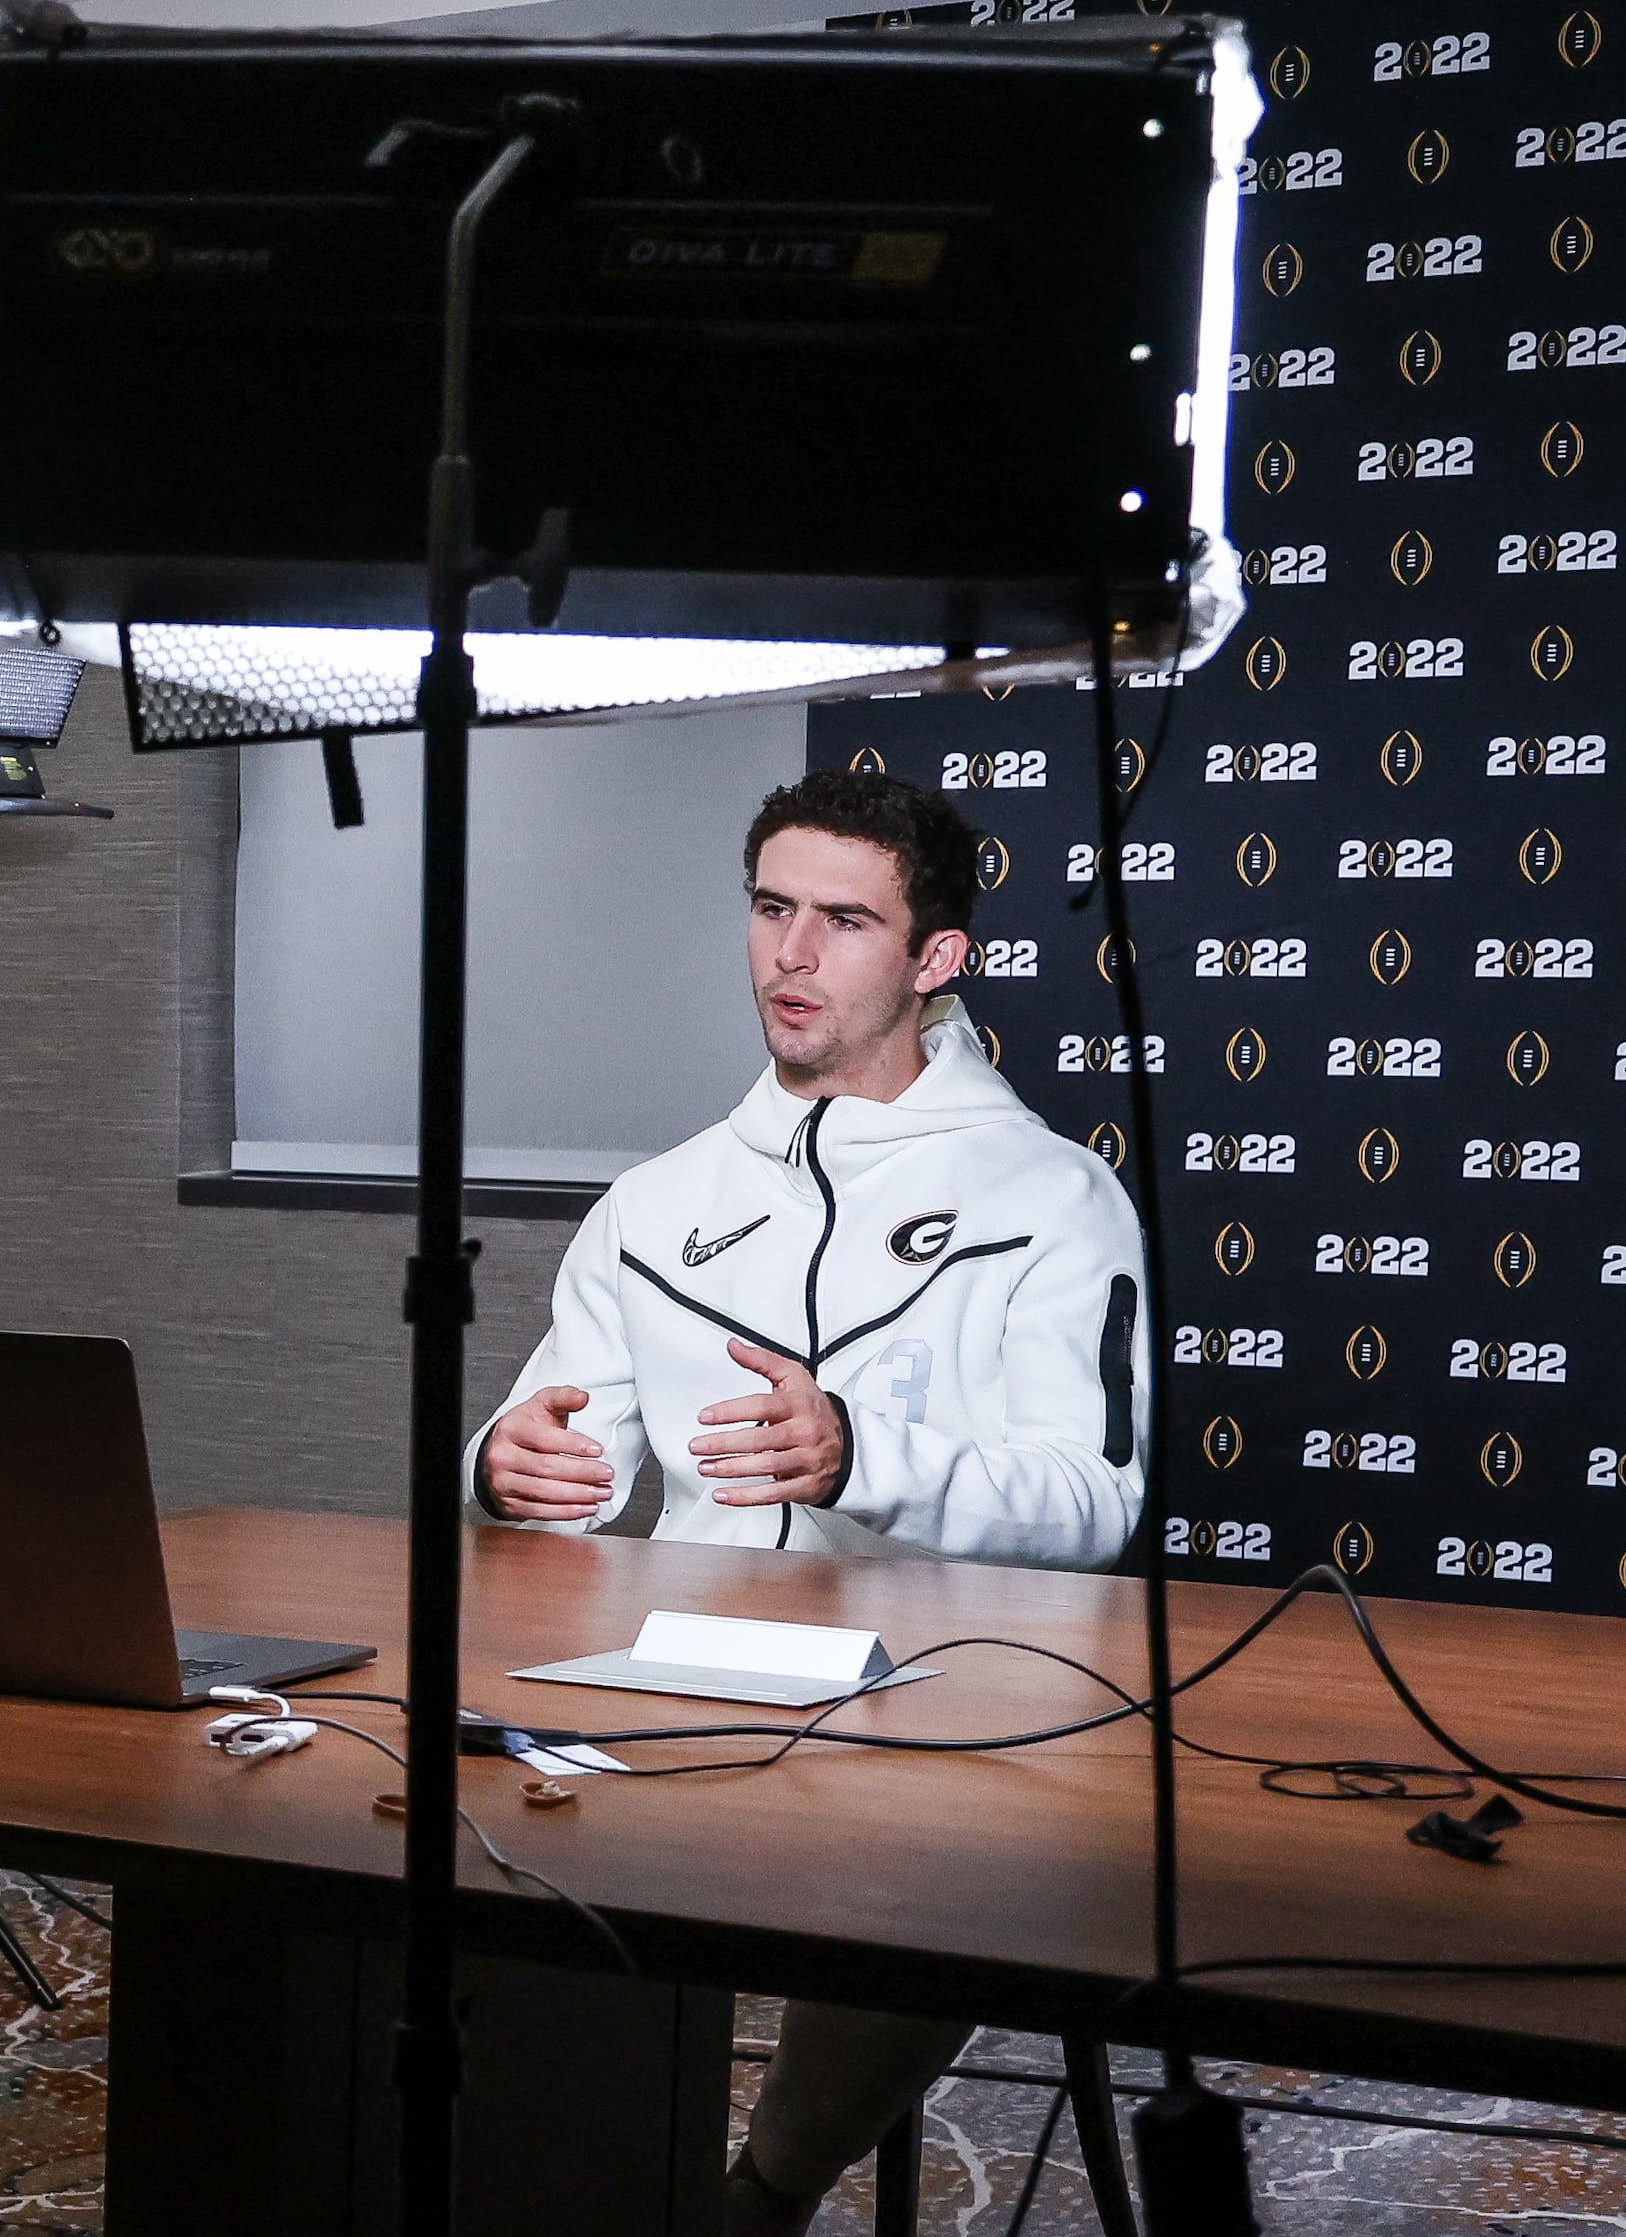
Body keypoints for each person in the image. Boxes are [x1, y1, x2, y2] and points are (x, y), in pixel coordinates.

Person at [464, 768, 1149, 2236]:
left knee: (935, 1868)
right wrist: (507, 1468)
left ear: (936, 957)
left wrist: (862, 1458)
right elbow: (557, 1454)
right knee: (467, 1826)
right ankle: (552, 2187)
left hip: (938, 1691)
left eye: (844, 920)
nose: (791, 952)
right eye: (772, 909)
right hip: (671, 1675)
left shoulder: (1054, 1198)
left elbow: (1093, 1505)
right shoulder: (655, 1201)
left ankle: (762, 2191)